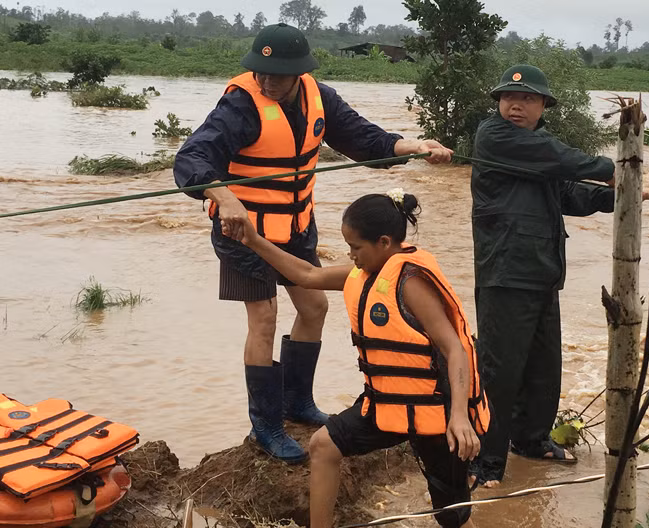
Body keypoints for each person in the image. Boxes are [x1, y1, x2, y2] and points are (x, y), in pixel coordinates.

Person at [174, 23, 452, 464]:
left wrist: (411, 146)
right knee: (264, 318)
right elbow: (192, 156)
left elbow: (364, 139)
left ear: (300, 73)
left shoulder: (320, 97)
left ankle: (297, 403)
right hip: (242, 231)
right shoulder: (240, 104)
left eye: (277, 76)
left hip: (296, 226)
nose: (267, 82)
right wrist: (223, 195)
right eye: (261, 73)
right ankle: (265, 424)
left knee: (315, 307)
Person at [223, 190, 491, 528]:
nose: (350, 255)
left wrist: (460, 417)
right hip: (386, 405)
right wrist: (252, 239)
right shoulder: (365, 274)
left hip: (437, 412)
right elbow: (307, 274)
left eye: (355, 247)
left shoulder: (411, 282)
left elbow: (454, 349)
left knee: (452, 515)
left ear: (384, 243)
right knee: (323, 445)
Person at [469, 64, 649, 487]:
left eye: (529, 99)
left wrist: (618, 195)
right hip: (505, 271)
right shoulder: (494, 137)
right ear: (498, 103)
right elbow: (562, 160)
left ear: (543, 106)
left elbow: (567, 193)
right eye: (509, 98)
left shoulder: (537, 147)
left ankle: (531, 441)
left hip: (542, 270)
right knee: (500, 371)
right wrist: (614, 166)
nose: (516, 104)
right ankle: (485, 461)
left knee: (543, 369)